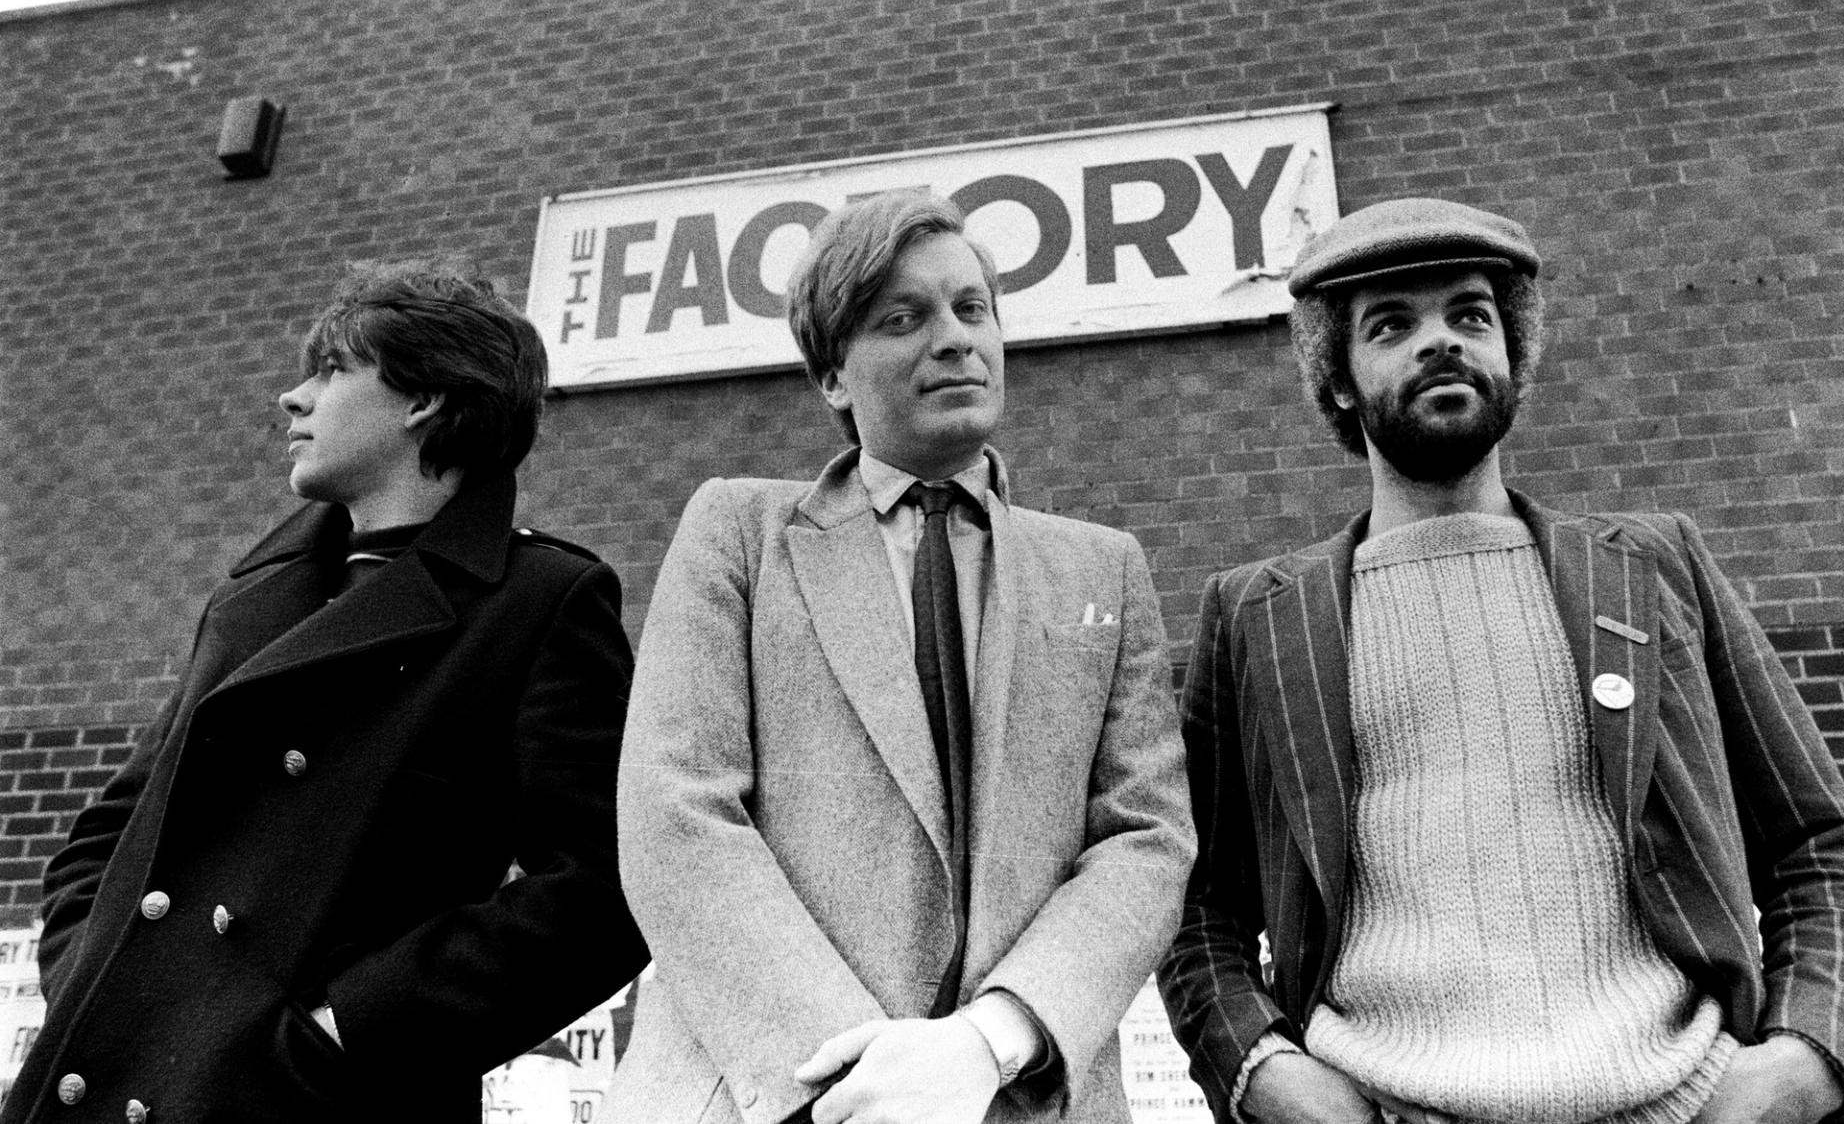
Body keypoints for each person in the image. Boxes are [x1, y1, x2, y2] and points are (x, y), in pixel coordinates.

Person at [1157, 198, 1844, 1124]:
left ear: (1512, 353)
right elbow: (1197, 905)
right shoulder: (1257, 617)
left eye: (1471, 316)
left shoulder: (1655, 566)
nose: (1442, 342)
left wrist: (1799, 1067)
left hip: (1686, 1105)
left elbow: (1818, 847)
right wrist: (1271, 1076)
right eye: (1392, 324)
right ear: (1338, 380)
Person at [604, 190, 1195, 1124]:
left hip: (1019, 1095)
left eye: (973, 308)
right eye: (903, 318)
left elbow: (1146, 838)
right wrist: (870, 1080)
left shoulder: (1104, 567)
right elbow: (676, 814)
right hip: (773, 1098)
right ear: (834, 376)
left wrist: (987, 1042)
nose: (957, 338)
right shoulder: (738, 533)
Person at [5, 271, 647, 1124]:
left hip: (308, 1097)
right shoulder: (257, 593)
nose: (292, 397)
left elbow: (605, 887)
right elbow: (112, 830)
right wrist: (97, 976)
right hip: (106, 1076)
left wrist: (349, 1029)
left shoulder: (539, 601)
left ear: (423, 397)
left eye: (333, 369)